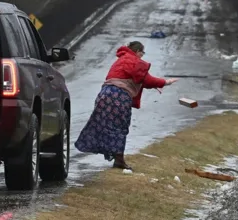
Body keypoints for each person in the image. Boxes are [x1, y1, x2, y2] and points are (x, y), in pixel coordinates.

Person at [75, 41, 178, 171]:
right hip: (119, 96)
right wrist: (166, 82)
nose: (142, 56)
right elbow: (146, 79)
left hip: (104, 94)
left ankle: (107, 151)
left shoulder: (122, 59)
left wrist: (154, 85)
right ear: (138, 51)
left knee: (103, 125)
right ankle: (119, 160)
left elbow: (136, 79)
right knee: (120, 127)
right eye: (142, 53)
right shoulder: (134, 60)